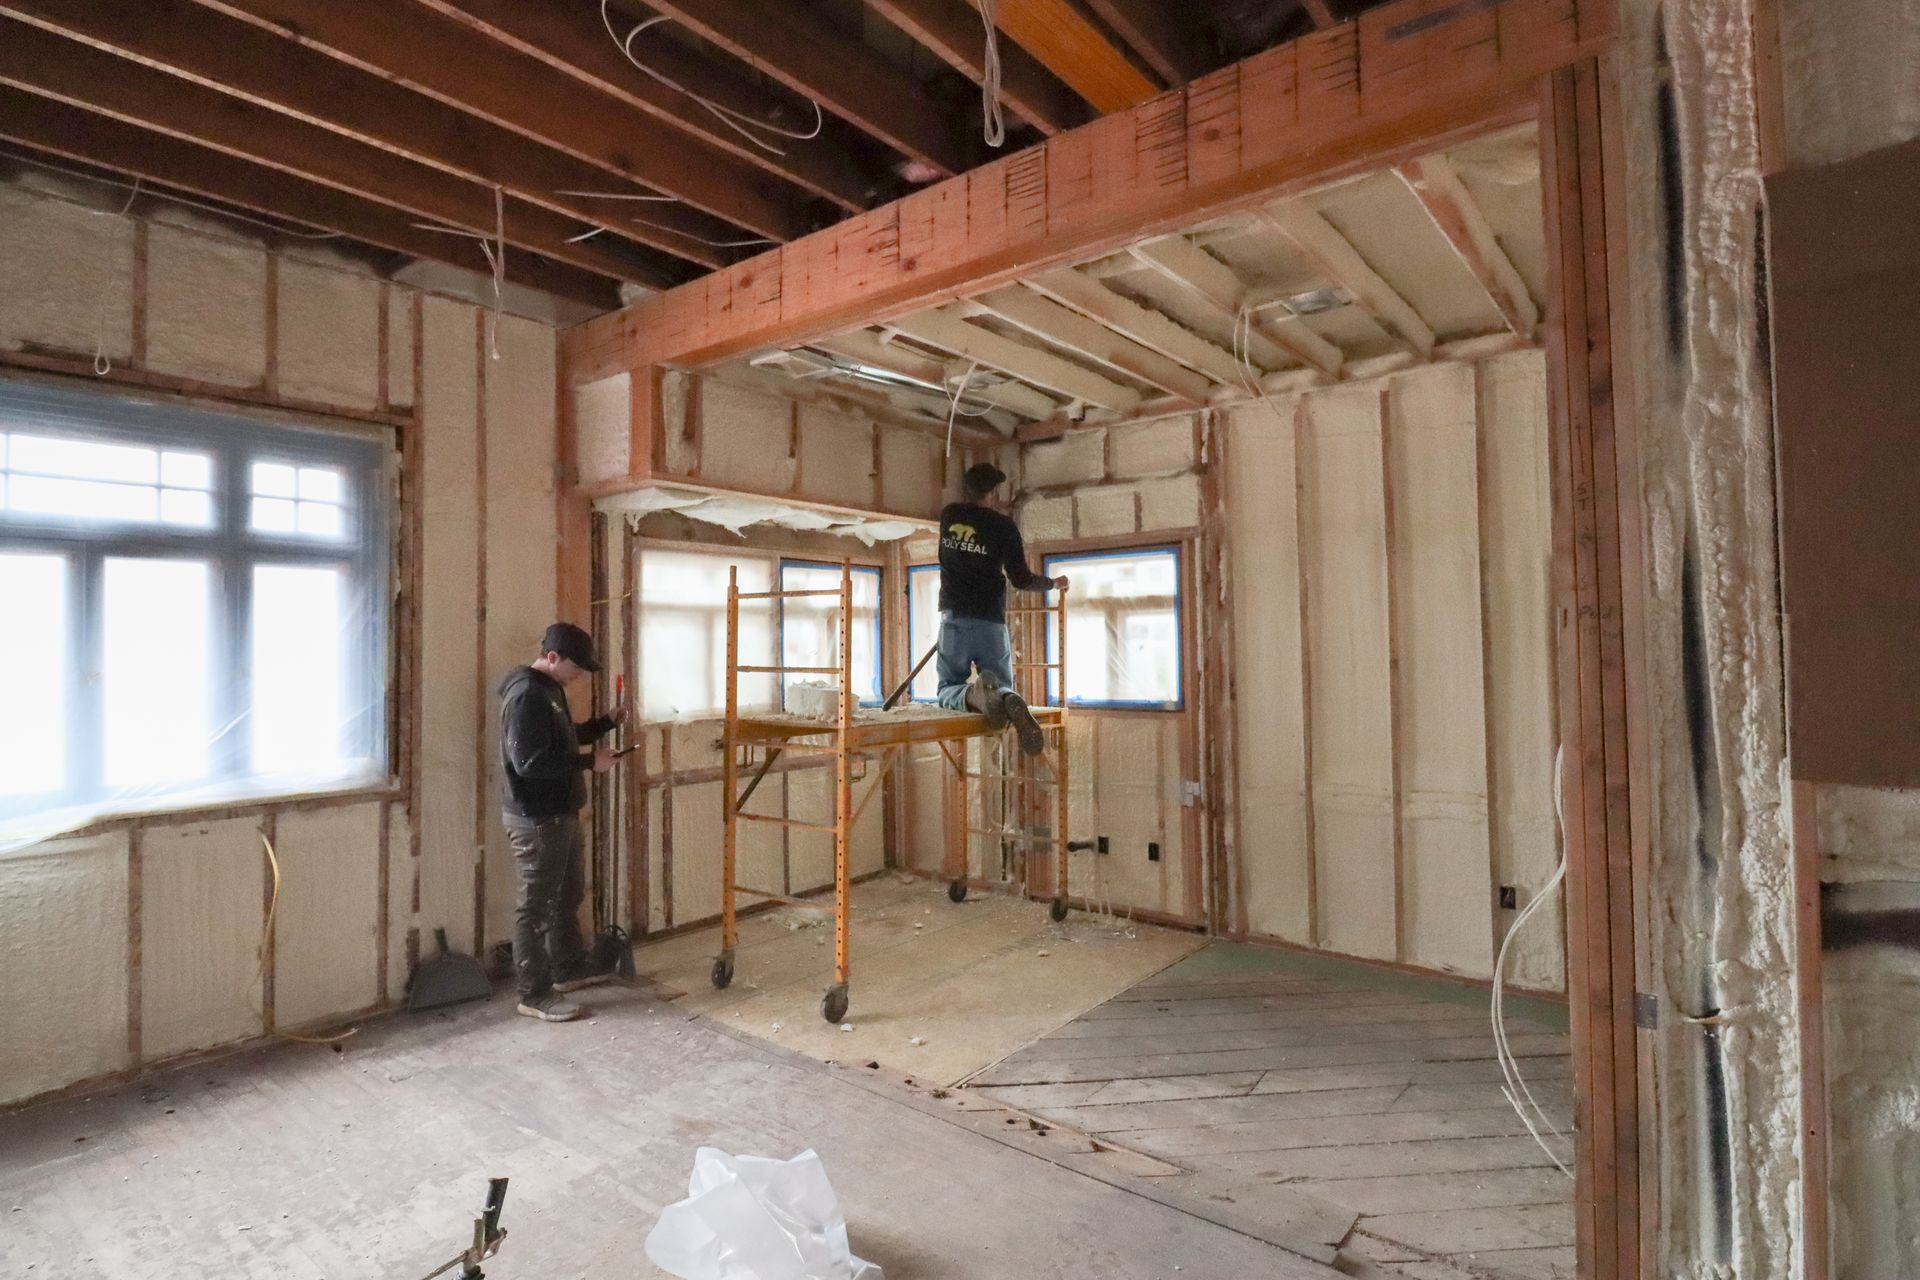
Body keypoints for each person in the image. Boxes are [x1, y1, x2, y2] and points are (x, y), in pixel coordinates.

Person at [498, 622, 626, 1023]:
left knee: (567, 896)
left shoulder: (549, 690)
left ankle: (567, 968)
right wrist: (592, 763)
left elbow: (562, 738)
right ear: (552, 658)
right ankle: (534, 994)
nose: (580, 675)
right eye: (577, 667)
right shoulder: (525, 695)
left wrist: (604, 723)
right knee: (534, 908)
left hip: (560, 814)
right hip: (537, 819)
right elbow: (530, 763)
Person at [936, 462, 1068, 755]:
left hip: (953, 618)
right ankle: (1006, 696)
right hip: (989, 623)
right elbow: (1021, 580)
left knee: (947, 687)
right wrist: (1053, 583)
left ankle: (973, 694)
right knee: (1002, 682)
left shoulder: (949, 515)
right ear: (994, 492)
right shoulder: (1003, 527)